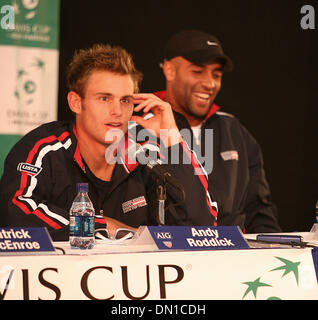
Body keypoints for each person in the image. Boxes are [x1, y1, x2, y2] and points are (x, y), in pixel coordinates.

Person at [0, 43, 217, 241]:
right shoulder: (44, 148)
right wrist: (105, 226)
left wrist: (172, 138)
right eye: (104, 98)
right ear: (76, 102)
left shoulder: (149, 149)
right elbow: (15, 214)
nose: (117, 111)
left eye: (125, 100)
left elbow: (202, 226)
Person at [153, 30, 281, 233]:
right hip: (166, 255)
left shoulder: (234, 130)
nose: (210, 83)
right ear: (170, 71)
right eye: (197, 71)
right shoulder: (139, 124)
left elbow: (258, 209)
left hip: (231, 256)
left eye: (216, 75)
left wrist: (270, 254)